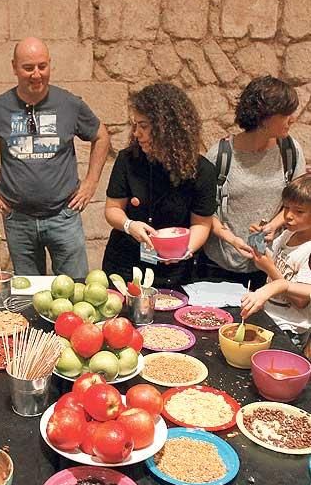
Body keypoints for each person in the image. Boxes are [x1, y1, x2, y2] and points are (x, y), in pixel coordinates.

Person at [0, 36, 111, 278]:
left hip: (63, 215)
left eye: (42, 66)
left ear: (50, 65)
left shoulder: (69, 104)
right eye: (28, 67)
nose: (36, 74)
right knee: (28, 295)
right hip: (18, 219)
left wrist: (90, 183)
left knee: (75, 289)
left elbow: (101, 136)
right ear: (14, 67)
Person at [102, 83, 217, 287]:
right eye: (135, 125)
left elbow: (201, 223)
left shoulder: (202, 170)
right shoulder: (127, 160)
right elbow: (112, 209)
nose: (136, 133)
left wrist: (185, 250)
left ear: (168, 128)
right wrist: (130, 225)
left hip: (174, 271)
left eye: (144, 126)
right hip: (126, 265)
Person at [198, 75, 306, 289]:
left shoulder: (290, 151)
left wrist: (273, 226)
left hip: (267, 266)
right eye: (285, 113)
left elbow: (298, 201)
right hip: (218, 264)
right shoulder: (221, 155)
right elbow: (204, 210)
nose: (292, 119)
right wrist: (231, 239)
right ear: (264, 117)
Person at [240, 175, 311, 354]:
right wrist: (259, 246)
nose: (288, 216)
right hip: (270, 318)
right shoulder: (288, 234)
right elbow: (275, 262)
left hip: (290, 329)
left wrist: (269, 268)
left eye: (299, 211)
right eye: (286, 208)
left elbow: (301, 300)